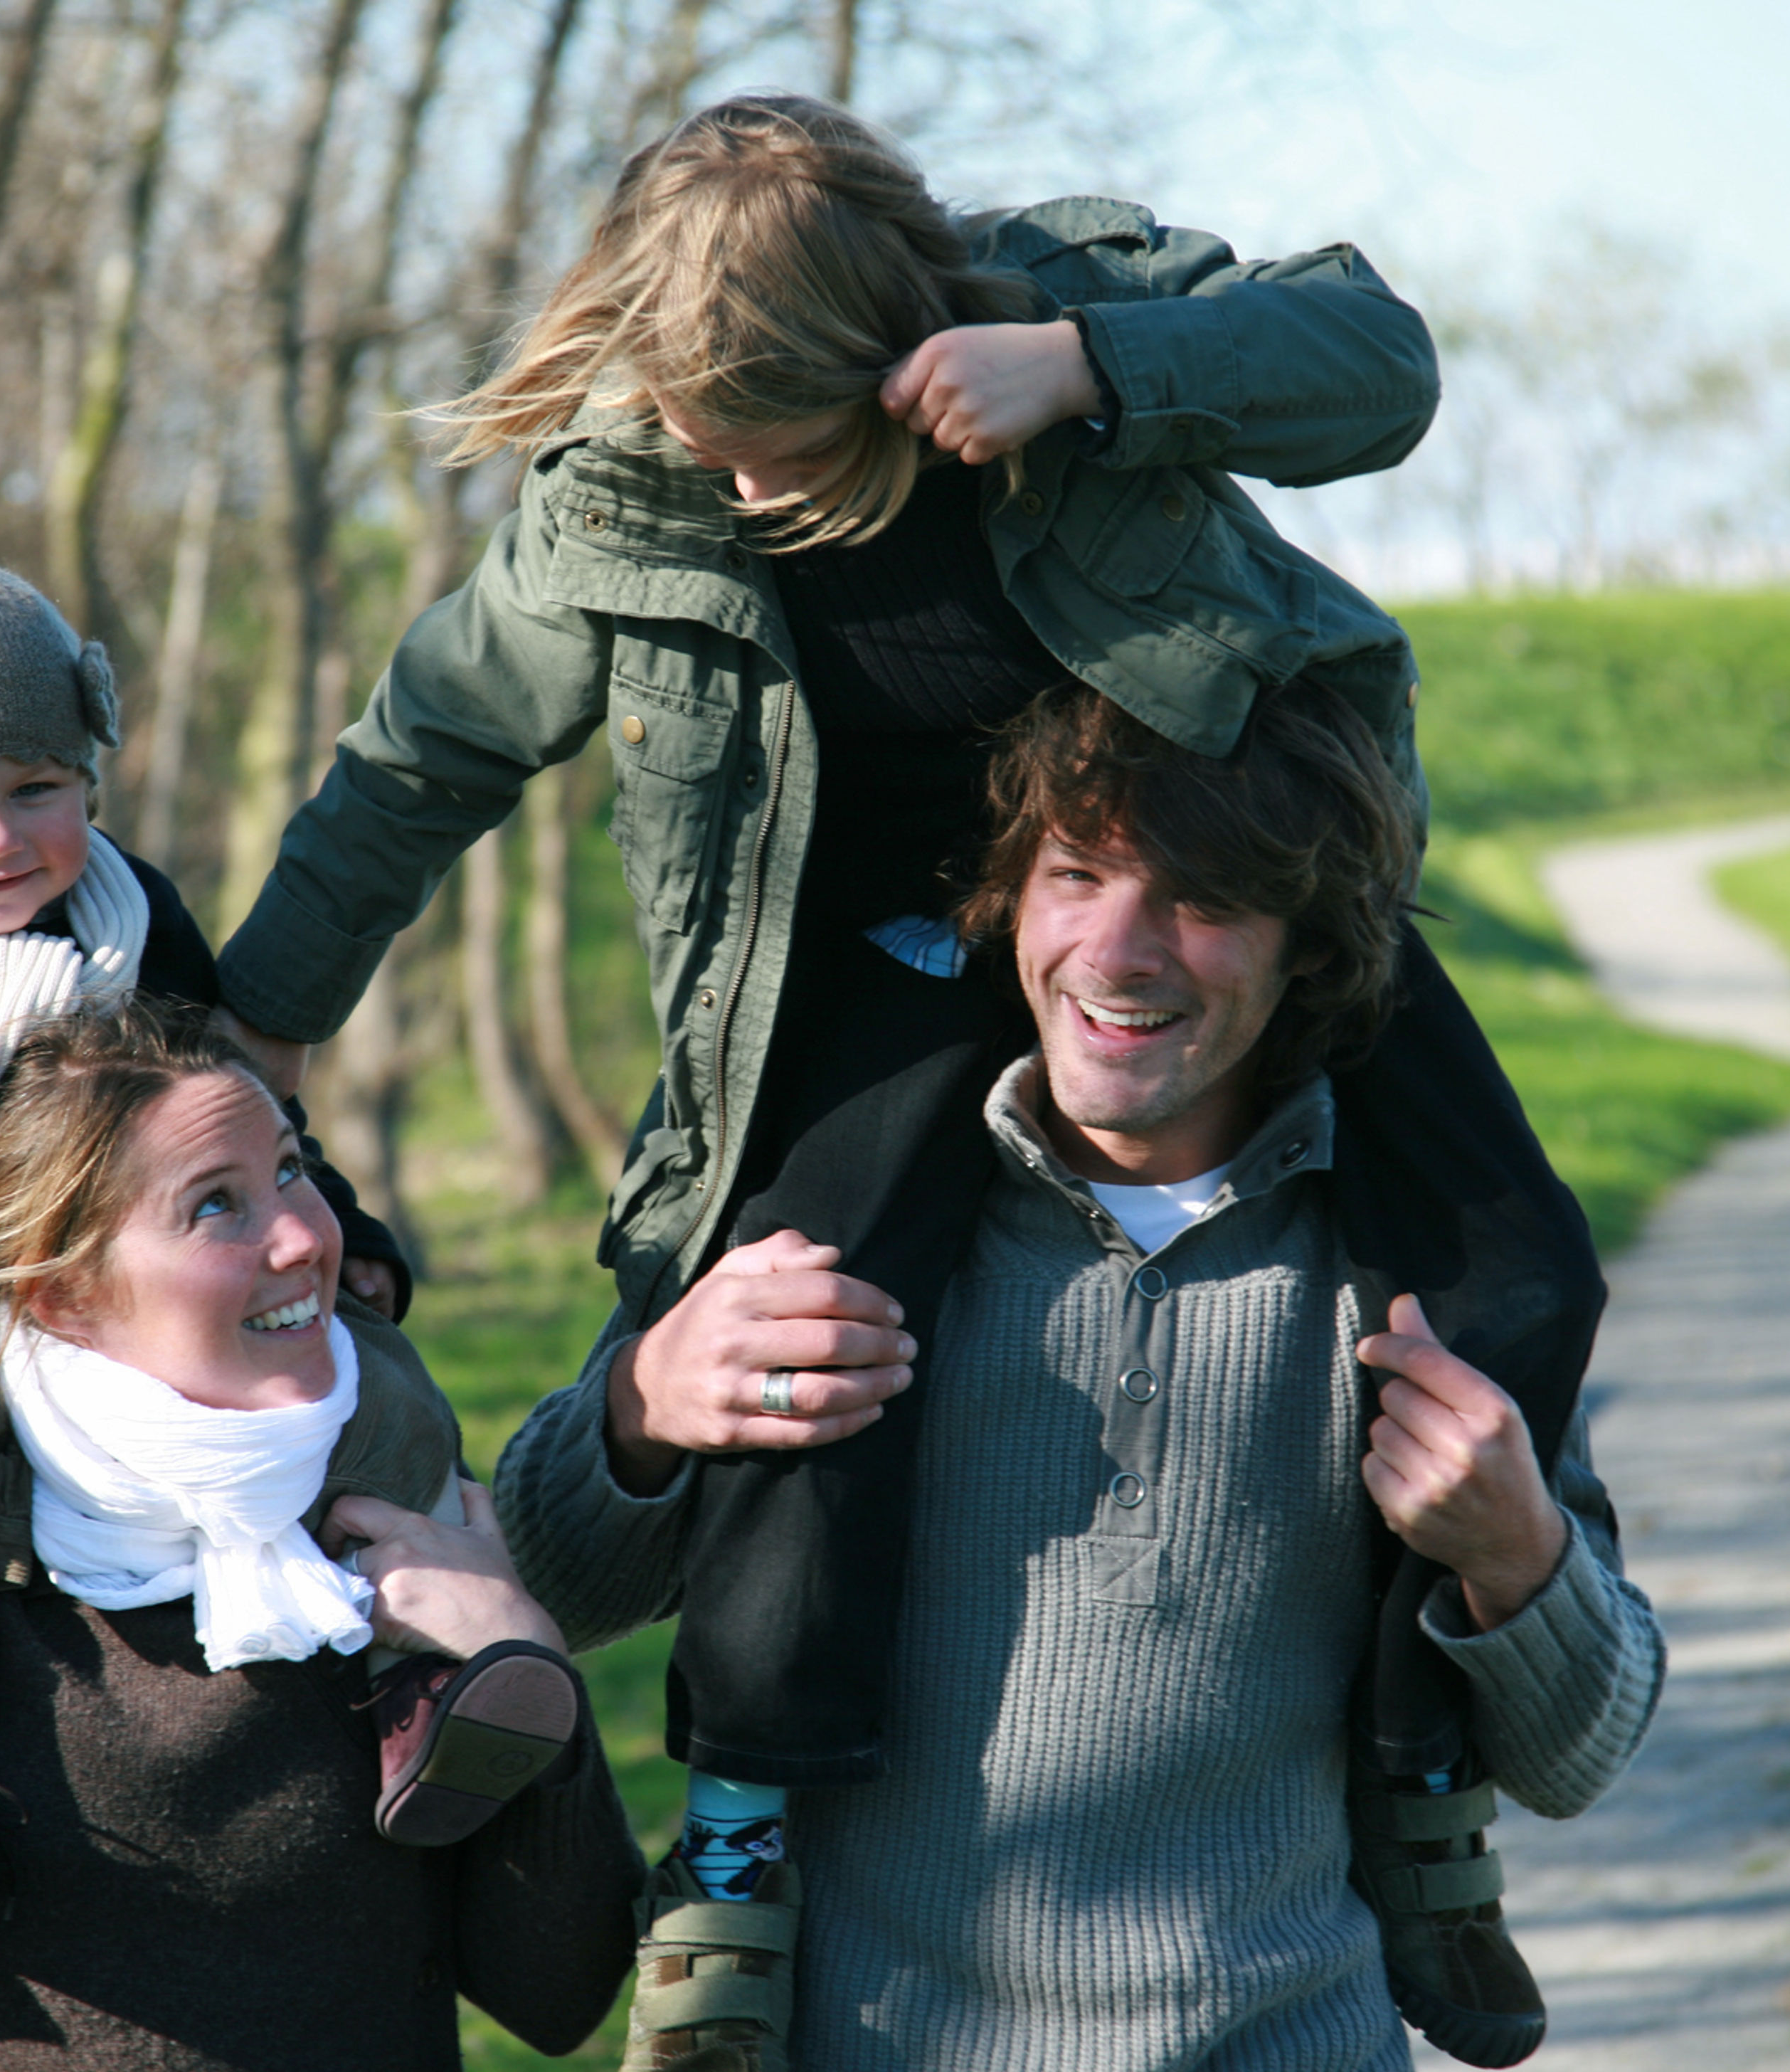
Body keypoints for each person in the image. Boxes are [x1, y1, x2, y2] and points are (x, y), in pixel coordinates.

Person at [211, 88, 1449, 1970]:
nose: (747, 489)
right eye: (709, 447)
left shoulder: (1052, 316)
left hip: (1202, 907)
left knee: (1489, 1252)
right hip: (874, 962)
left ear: (896, 360)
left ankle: (1427, 1791)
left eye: (780, 448)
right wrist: (263, 1030)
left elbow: (1380, 367)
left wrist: (1089, 370)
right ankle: (740, 1853)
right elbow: (423, 758)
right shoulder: (624, 494)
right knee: (808, 1317)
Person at [496, 679, 1665, 2071]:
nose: (1119, 949)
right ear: (1009, 903)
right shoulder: (843, 1214)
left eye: (1204, 898)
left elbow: (1580, 1754)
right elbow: (534, 1589)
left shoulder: (1420, 1271)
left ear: (1308, 945)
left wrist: (1517, 1552)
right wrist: (642, 1404)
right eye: (1077, 875)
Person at [0, 998, 641, 2068]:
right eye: (216, 1207)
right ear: (64, 1295)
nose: (301, 1236)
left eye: (291, 1170)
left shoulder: (407, 1506)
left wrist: (521, 1652)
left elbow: (562, 1999)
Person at [0, 554, 440, 1915]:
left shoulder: (133, 918)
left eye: (33, 791)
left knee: (386, 1387)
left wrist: (334, 1219)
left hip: (143, 1303)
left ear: (90, 785)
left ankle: (423, 1670)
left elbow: (236, 1103)